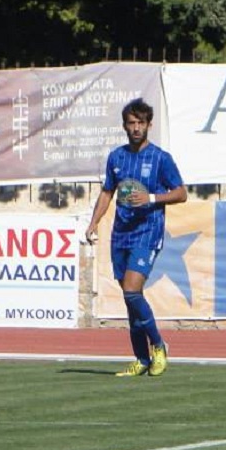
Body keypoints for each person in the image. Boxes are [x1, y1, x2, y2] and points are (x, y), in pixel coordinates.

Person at [85, 98, 187, 377]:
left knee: (132, 290)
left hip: (148, 232)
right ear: (124, 126)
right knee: (131, 299)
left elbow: (181, 193)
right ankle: (142, 359)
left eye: (141, 123)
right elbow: (108, 192)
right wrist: (94, 222)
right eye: (132, 123)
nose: (136, 128)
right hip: (121, 234)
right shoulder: (116, 157)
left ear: (149, 125)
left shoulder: (160, 158)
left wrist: (151, 198)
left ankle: (159, 346)